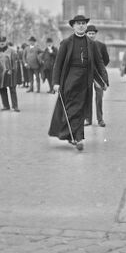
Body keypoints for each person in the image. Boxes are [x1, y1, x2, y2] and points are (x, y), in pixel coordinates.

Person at [48, 15, 108, 151]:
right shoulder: (66, 43)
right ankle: (73, 136)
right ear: (73, 26)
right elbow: (58, 64)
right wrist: (56, 83)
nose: (81, 26)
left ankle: (78, 138)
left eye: (83, 23)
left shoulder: (91, 44)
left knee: (81, 110)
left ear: (86, 26)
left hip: (85, 81)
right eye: (78, 24)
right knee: (70, 109)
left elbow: (99, 63)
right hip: (69, 80)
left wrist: (103, 81)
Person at [84, 25, 109, 127]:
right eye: (89, 33)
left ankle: (100, 119)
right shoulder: (82, 45)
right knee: (87, 97)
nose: (91, 35)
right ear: (86, 34)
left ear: (95, 34)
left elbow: (105, 60)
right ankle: (88, 119)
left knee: (99, 98)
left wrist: (102, 74)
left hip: (98, 76)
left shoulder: (101, 45)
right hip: (86, 75)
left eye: (93, 34)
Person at [0, 36, 20, 112]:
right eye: (0, 42)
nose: (2, 43)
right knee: (2, 89)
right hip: (0, 74)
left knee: (12, 89)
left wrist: (13, 70)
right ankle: (6, 105)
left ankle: (15, 106)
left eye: (3, 41)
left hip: (10, 73)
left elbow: (16, 61)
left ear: (6, 42)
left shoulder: (12, 51)